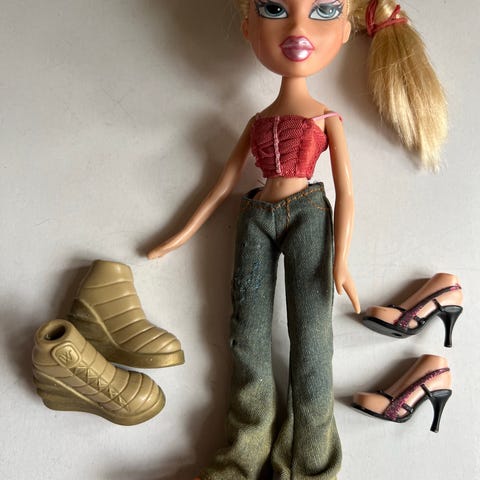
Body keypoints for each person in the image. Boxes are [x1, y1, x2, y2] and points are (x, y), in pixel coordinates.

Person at [147, 1, 446, 478]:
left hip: (308, 214)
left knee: (312, 342)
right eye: (274, 8)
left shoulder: (328, 118)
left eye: (324, 9)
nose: (298, 27)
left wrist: (341, 260)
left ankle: (310, 464)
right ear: (248, 25)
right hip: (255, 217)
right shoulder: (256, 121)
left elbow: (347, 192)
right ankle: (241, 459)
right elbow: (222, 185)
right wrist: (180, 234)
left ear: (345, 30)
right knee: (246, 337)